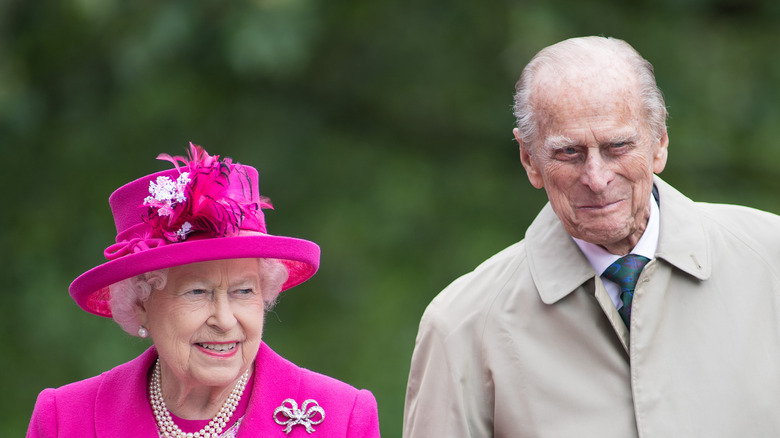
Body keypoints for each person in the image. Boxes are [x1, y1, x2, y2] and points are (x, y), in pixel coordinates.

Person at [403, 36, 780, 437]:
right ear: (529, 160)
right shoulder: (463, 326)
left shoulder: (770, 261)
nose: (596, 179)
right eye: (569, 153)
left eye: (617, 146)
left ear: (660, 142)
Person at [28, 144, 381, 437]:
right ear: (140, 304)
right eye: (197, 292)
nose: (225, 321)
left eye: (243, 292)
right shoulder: (64, 420)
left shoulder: (342, 418)